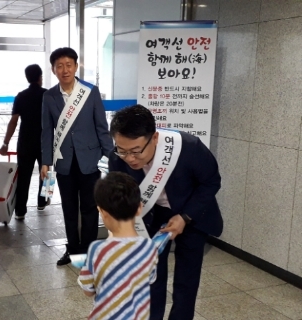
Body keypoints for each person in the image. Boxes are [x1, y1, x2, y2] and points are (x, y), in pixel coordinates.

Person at [108, 105, 223, 320]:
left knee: (186, 278)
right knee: (151, 275)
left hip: (191, 213)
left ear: (154, 138)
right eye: (122, 150)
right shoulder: (117, 158)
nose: (130, 158)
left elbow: (211, 182)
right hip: (152, 214)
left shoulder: (189, 148)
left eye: (136, 150)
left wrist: (185, 217)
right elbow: (119, 193)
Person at [40, 47, 114, 266]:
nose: (65, 70)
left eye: (69, 65)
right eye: (60, 66)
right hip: (64, 162)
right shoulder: (49, 96)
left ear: (76, 66)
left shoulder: (90, 92)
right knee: (69, 209)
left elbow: (102, 127)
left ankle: (90, 253)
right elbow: (47, 131)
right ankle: (72, 250)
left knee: (90, 208)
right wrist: (45, 161)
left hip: (89, 161)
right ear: (53, 70)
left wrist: (111, 156)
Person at [78, 172, 158, 320]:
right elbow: (150, 279)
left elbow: (88, 290)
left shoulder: (97, 250)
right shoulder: (149, 247)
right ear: (139, 208)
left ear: (102, 211)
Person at [0, 64, 49, 219]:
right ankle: (43, 201)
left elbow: (13, 121)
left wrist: (5, 143)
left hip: (25, 142)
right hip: (45, 141)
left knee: (24, 176)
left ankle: (20, 211)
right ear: (40, 77)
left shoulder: (20, 96)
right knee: (48, 173)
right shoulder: (48, 95)